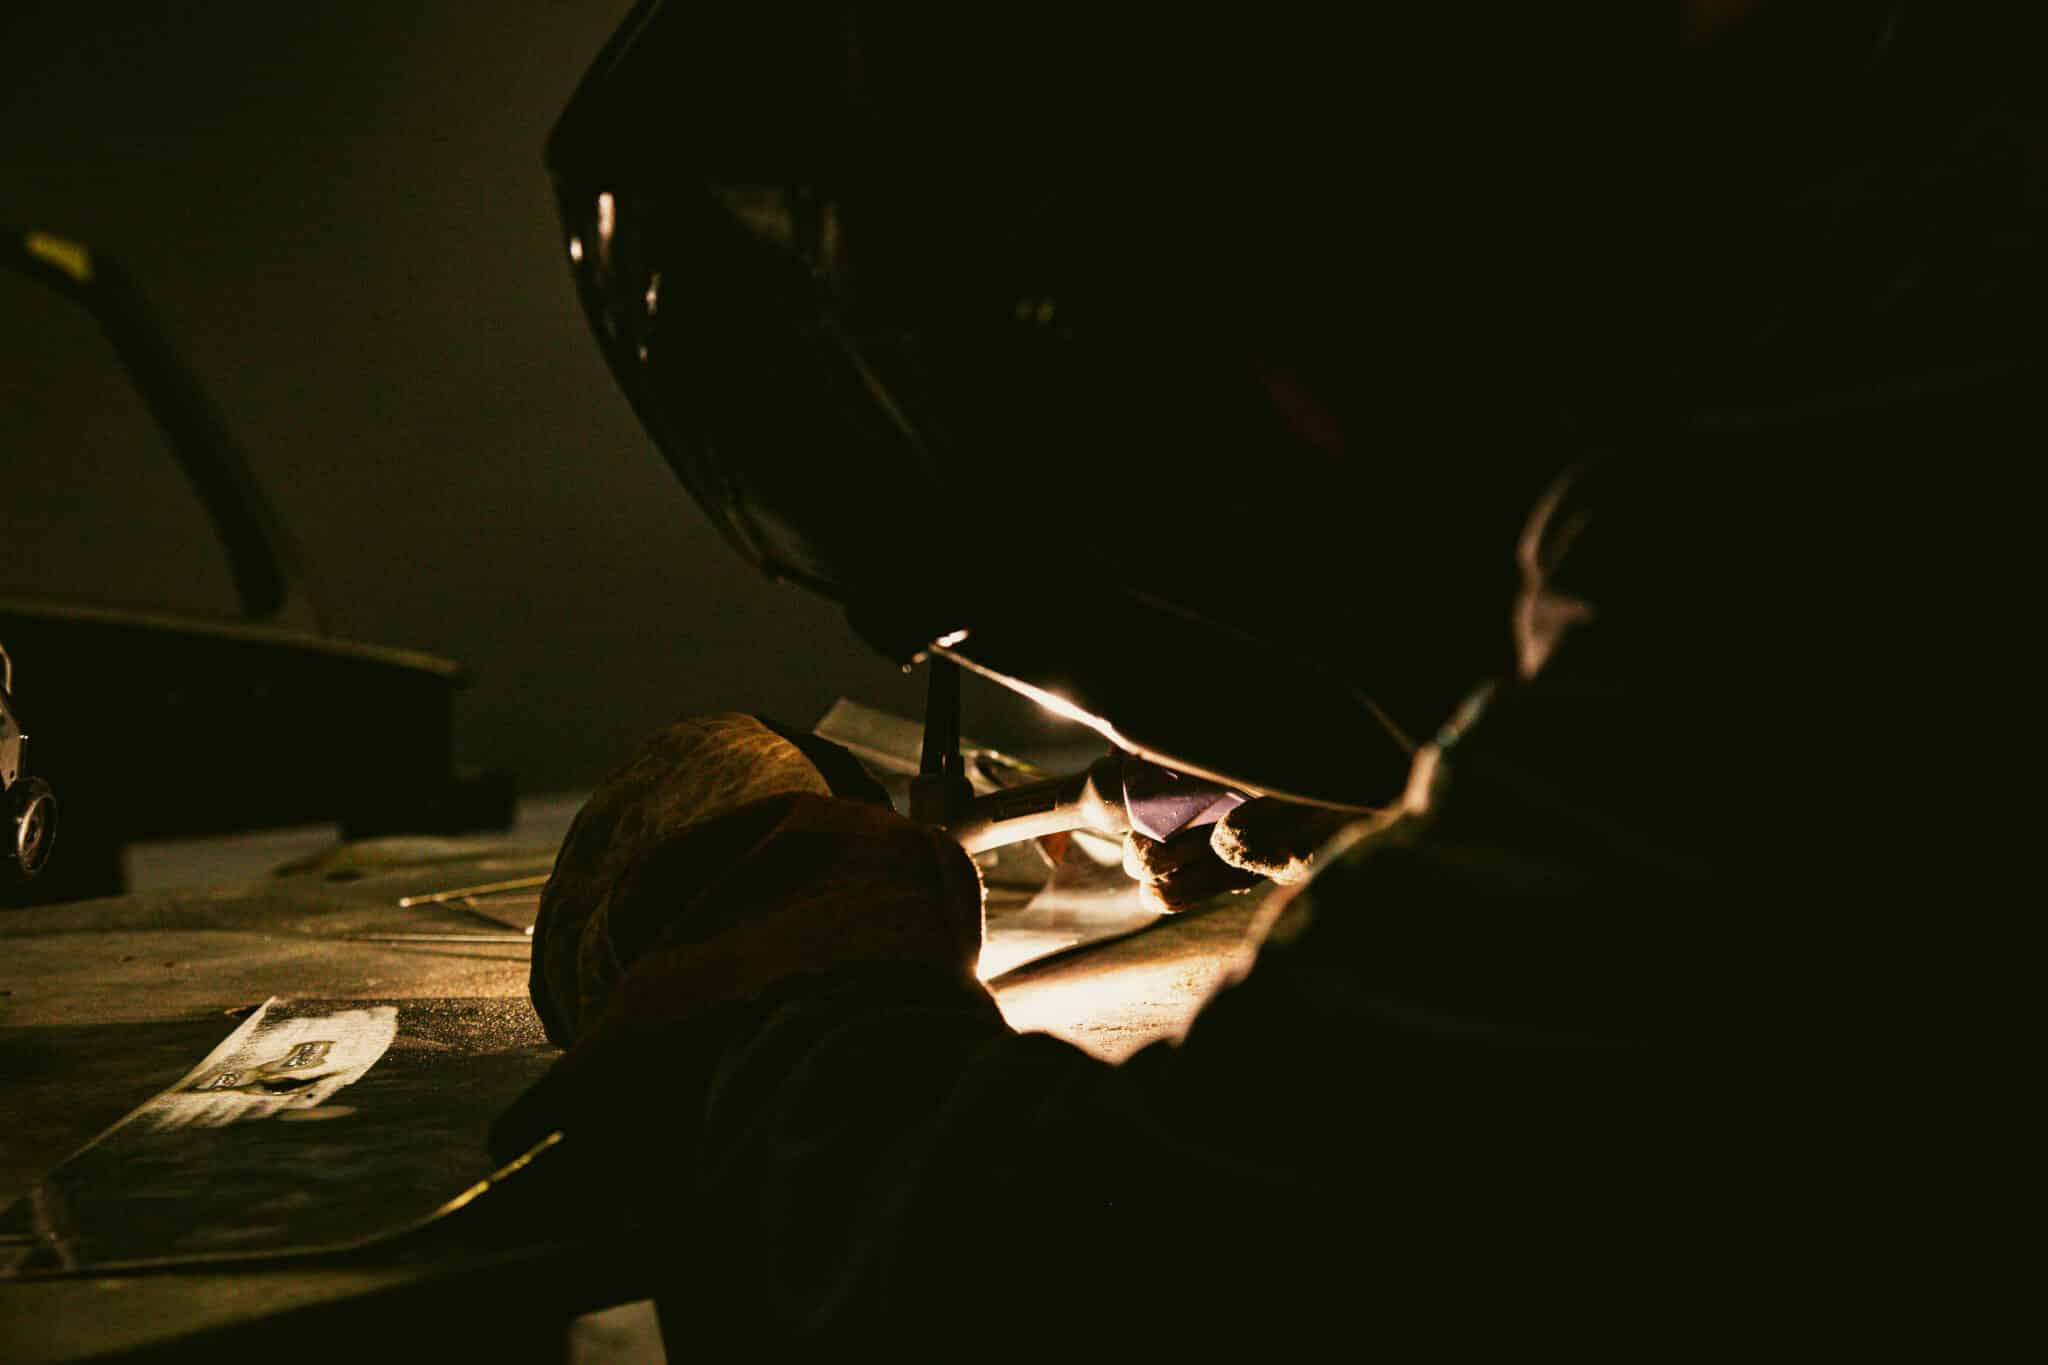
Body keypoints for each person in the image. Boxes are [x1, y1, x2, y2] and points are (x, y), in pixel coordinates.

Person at [494, 2, 2038, 1354]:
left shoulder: (1874, 419)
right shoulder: (1891, 226)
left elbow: (1112, 1281)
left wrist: (772, 972)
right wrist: (1459, 804)